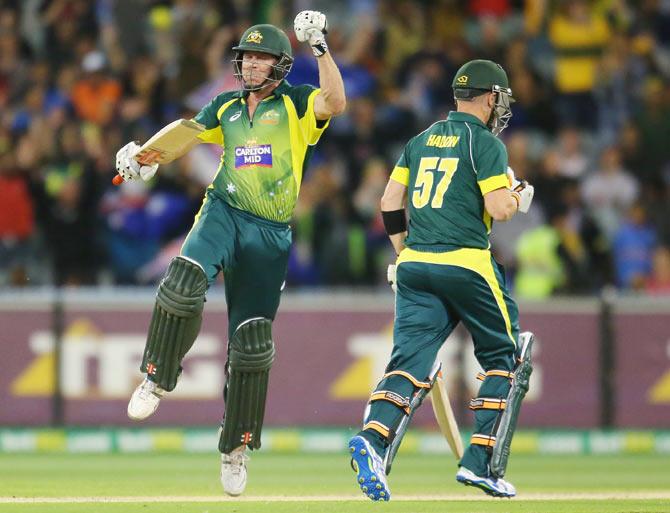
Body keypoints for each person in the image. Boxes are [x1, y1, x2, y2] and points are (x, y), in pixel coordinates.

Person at [115, 13, 345, 496]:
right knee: (182, 283)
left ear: (280, 66)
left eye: (260, 58)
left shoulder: (299, 103)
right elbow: (186, 132)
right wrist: (142, 157)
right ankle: (156, 378)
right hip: (224, 209)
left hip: (270, 233)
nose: (250, 64)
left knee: (253, 348)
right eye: (246, 56)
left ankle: (234, 447)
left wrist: (320, 46)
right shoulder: (226, 106)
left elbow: (335, 102)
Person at [347, 60, 535, 501]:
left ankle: (373, 441)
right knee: (506, 358)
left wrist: (402, 251)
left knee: (408, 364)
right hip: (468, 262)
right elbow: (501, 208)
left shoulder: (420, 140)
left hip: (415, 264)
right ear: (491, 98)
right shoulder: (485, 143)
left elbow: (389, 201)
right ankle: (480, 463)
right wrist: (517, 193)